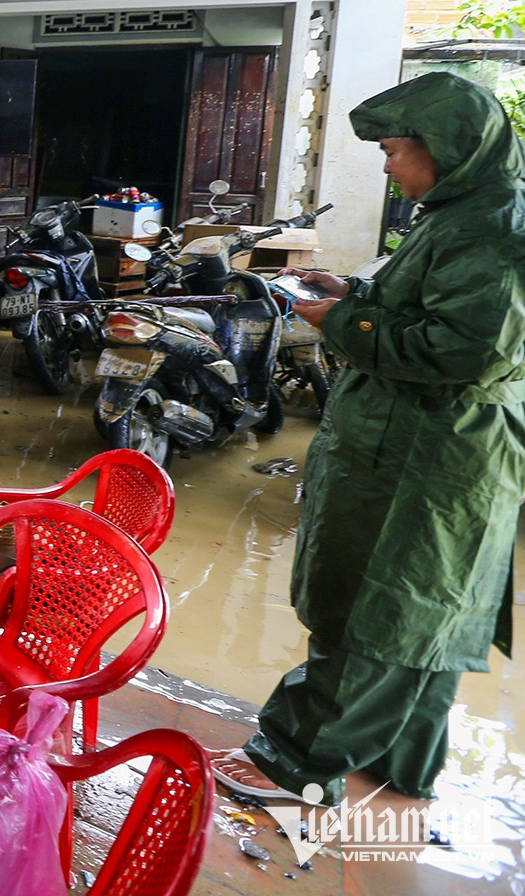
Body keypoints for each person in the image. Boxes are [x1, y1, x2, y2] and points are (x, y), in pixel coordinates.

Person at [212, 71, 525, 807]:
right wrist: (358, 295)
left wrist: (344, 325)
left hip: (433, 451)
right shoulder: (460, 213)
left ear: (442, 147)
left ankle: (298, 763)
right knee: (421, 613)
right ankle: (399, 760)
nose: (386, 166)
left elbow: (472, 349)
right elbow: (437, 310)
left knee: (385, 606)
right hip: (414, 440)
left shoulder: (496, 228)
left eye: (392, 150)